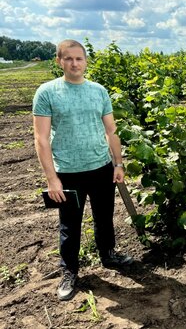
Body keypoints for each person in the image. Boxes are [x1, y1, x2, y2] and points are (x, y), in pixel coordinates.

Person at [33, 39, 133, 301]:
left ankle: (108, 255)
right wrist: (51, 179)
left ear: (86, 61)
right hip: (67, 173)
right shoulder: (47, 92)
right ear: (59, 61)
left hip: (101, 167)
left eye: (79, 58)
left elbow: (111, 130)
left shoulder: (99, 91)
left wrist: (118, 163)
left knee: (104, 217)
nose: (74, 63)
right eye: (68, 58)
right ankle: (69, 272)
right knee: (69, 225)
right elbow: (41, 139)